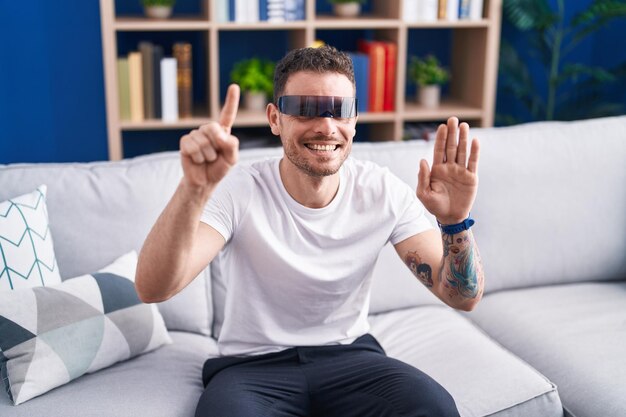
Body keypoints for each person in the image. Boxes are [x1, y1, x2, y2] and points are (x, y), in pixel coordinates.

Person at [136, 45, 484, 417]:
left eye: (340, 111)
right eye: (305, 109)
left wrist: (454, 220)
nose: (326, 126)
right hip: (252, 368)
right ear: (275, 118)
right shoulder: (241, 189)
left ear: (354, 121)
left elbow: (463, 297)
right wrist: (193, 188)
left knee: (435, 408)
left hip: (351, 358)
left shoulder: (382, 191)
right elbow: (153, 288)